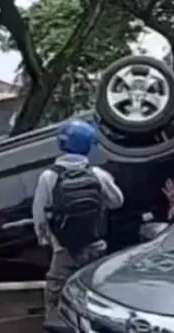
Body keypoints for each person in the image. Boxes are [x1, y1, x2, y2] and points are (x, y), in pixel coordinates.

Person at [31, 120, 124, 318]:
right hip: (95, 246)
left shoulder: (49, 176)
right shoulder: (97, 174)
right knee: (93, 296)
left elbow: (39, 215)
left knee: (56, 296)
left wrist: (45, 240)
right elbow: (118, 202)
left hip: (64, 249)